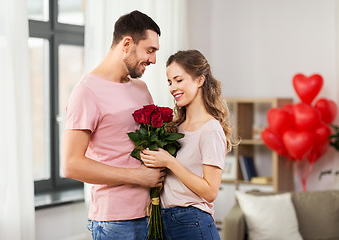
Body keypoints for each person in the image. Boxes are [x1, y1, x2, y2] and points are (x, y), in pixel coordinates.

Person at [63, 10, 165, 240]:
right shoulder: (86, 92)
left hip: (153, 212)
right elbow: (71, 165)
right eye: (150, 50)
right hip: (116, 222)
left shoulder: (140, 88)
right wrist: (139, 177)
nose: (153, 60)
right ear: (127, 43)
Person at [140, 50, 233, 240]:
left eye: (178, 80)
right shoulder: (175, 128)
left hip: (192, 222)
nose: (173, 87)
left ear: (199, 80)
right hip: (167, 220)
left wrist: (169, 162)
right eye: (169, 82)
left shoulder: (210, 130)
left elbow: (210, 191)